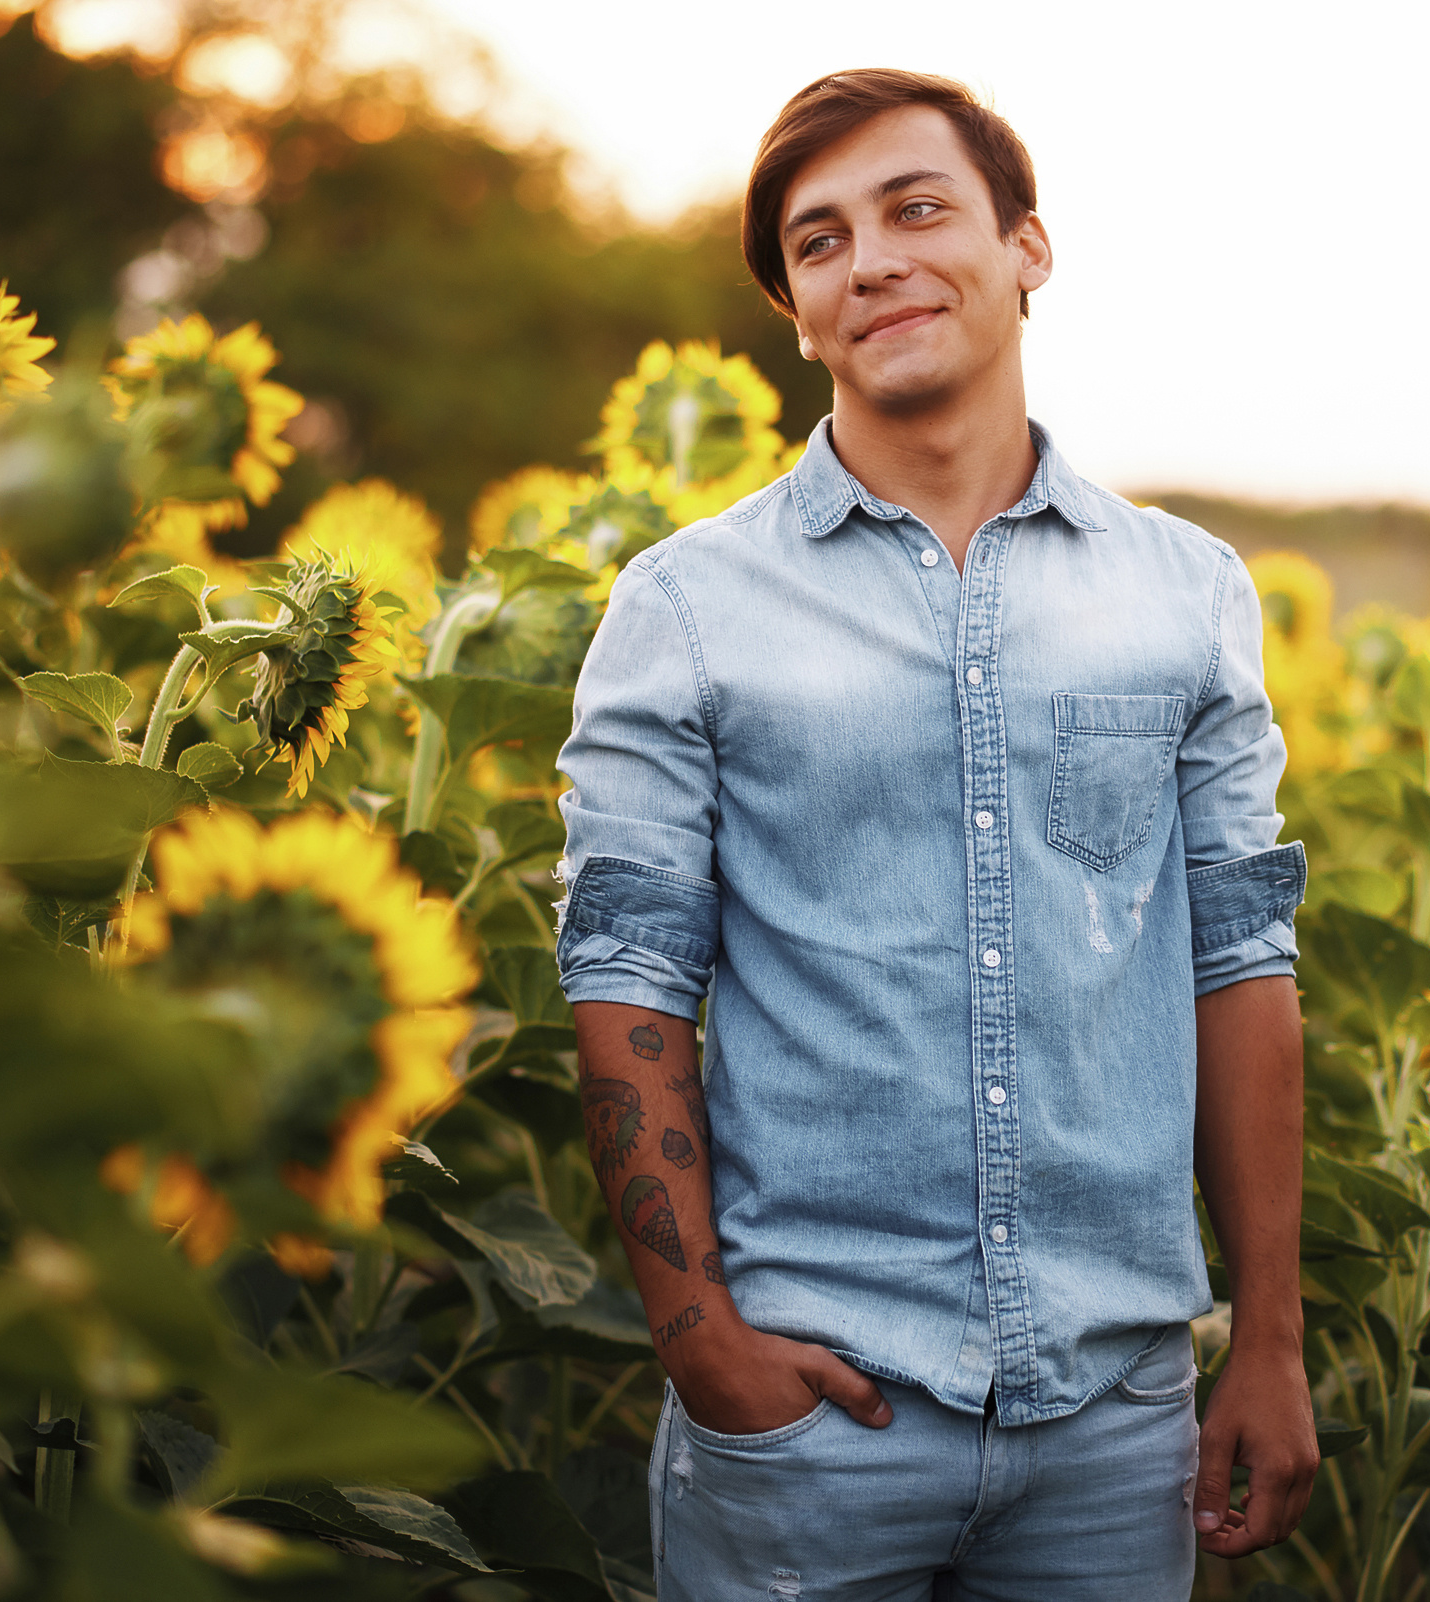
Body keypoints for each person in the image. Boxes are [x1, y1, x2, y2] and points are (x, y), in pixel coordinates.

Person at [553, 67, 1314, 1600]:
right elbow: (626, 981)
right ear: (801, 313)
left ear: (1027, 247)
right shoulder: (686, 608)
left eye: (916, 209)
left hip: (1115, 1421)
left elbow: (1238, 963)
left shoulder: (1184, 591)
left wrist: (1272, 1341)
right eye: (821, 242)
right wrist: (705, 1343)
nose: (874, 259)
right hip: (814, 1416)